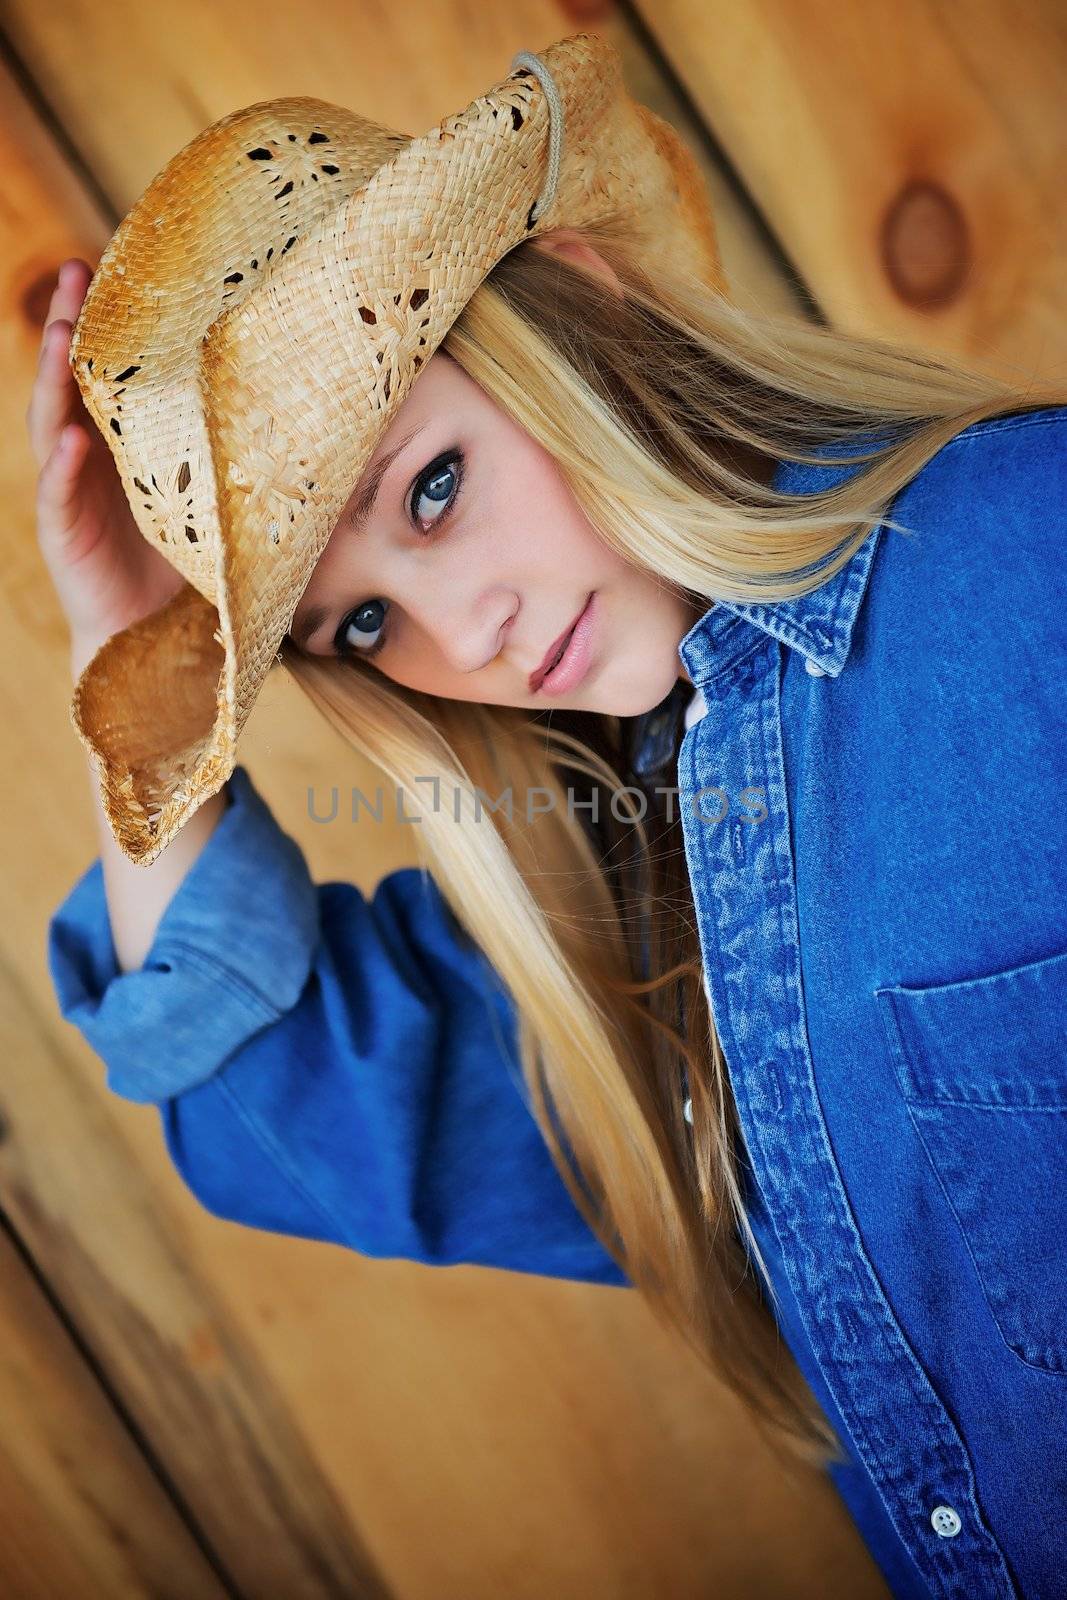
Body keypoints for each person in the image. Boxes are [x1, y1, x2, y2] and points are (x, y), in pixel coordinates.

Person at [30, 44, 1066, 1600]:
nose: (471, 631)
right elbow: (285, 1102)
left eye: (434, 488)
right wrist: (153, 685)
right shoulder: (639, 895)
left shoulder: (1031, 560)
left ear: (586, 298)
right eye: (360, 626)